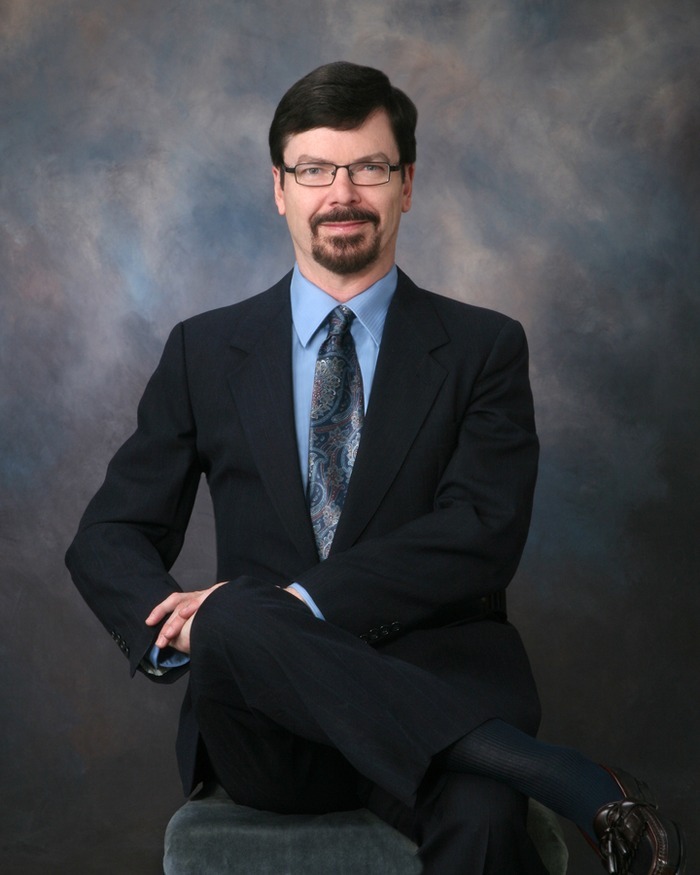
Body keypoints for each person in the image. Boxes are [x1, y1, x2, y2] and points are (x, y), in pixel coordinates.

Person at [66, 61, 685, 875]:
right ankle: (564, 776)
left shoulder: (484, 347)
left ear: (407, 185)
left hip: (439, 680)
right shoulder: (203, 350)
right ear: (278, 188)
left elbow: (481, 532)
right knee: (232, 615)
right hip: (268, 724)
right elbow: (108, 534)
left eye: (369, 167)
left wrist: (296, 601)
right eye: (315, 170)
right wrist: (181, 630)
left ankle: (497, 762)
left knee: (483, 816)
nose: (343, 193)